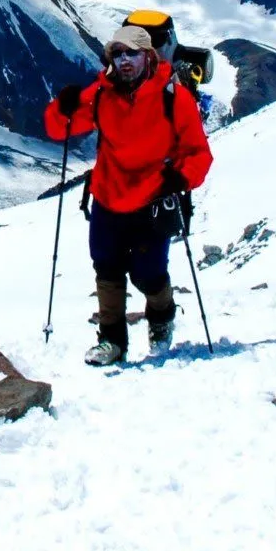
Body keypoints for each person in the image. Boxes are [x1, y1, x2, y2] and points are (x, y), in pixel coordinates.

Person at [49, 25, 213, 366]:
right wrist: (63, 107)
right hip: (108, 195)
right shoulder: (102, 94)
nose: (124, 60)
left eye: (132, 53)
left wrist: (180, 178)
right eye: (118, 54)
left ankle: (161, 316)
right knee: (106, 269)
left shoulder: (172, 96)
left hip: (152, 199)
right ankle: (112, 341)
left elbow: (198, 152)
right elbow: (59, 127)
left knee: (148, 272)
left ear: (148, 56)